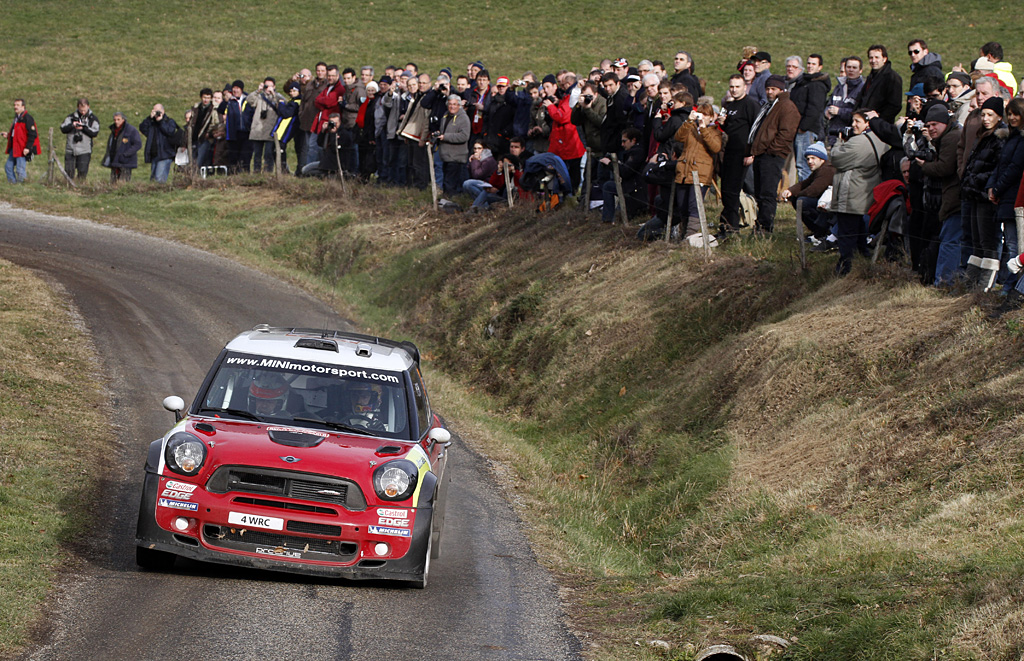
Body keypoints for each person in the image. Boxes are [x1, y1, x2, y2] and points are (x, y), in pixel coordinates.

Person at [830, 109, 891, 275]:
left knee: (847, 233)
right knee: (858, 231)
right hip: (864, 192)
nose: (853, 125)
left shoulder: (859, 142)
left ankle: (845, 267)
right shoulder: (881, 140)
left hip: (851, 194)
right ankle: (861, 261)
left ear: (868, 123)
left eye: (857, 121)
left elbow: (836, 158)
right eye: (853, 121)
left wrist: (839, 142)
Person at [961, 97, 1006, 290]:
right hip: (974, 194)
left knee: (988, 240)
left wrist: (978, 180)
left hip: (987, 197)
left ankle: (984, 286)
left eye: (990, 115)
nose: (986, 118)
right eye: (983, 114)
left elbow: (998, 168)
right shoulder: (982, 135)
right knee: (976, 240)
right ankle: (971, 284)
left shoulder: (999, 138)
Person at [747, 75, 800, 234]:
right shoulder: (770, 106)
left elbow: (786, 133)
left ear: (781, 89)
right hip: (762, 154)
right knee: (760, 192)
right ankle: (760, 225)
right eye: (768, 89)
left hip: (772, 156)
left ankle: (765, 227)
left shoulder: (786, 106)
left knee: (768, 193)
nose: (770, 92)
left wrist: (772, 150)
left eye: (773, 89)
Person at [916, 104, 963, 286]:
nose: (931, 129)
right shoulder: (949, 136)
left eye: (935, 124)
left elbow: (944, 168)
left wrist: (924, 166)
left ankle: (944, 282)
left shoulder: (951, 138)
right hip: (953, 198)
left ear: (945, 123)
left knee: (950, 241)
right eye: (928, 126)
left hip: (955, 200)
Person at [717, 74, 760, 238]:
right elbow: (728, 128)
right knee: (726, 190)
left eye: (737, 86)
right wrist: (722, 123)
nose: (734, 90)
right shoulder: (728, 105)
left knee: (734, 191)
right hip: (729, 152)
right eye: (731, 87)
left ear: (744, 87)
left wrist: (752, 153)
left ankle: (732, 227)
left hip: (743, 153)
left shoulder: (751, 105)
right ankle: (727, 225)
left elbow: (756, 130)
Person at [988, 99, 1024, 293]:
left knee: (1014, 245)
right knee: (1011, 243)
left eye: (1015, 113)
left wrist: (998, 188)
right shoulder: (1010, 137)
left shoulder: (1021, 139)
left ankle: (1011, 287)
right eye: (1009, 114)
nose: (1011, 118)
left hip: (1014, 196)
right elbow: (1002, 165)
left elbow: (1015, 168)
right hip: (1007, 196)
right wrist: (992, 187)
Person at [781, 140, 835, 243]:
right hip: (825, 203)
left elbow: (813, 190)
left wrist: (795, 194)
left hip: (830, 205)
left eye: (813, 158)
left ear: (822, 159)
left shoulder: (827, 170)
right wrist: (790, 191)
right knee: (798, 199)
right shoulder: (820, 169)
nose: (810, 161)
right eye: (808, 159)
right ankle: (817, 231)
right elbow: (805, 183)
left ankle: (822, 231)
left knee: (802, 201)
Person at [789, 56, 830, 180]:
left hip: (806, 130)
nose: (810, 66)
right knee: (801, 164)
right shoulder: (804, 82)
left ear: (820, 67)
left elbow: (815, 109)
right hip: (799, 128)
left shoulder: (817, 85)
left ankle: (805, 196)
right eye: (809, 63)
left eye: (814, 64)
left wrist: (803, 127)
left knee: (805, 165)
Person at [599, 127, 645, 223]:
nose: (622, 145)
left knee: (608, 186)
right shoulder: (633, 152)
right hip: (630, 185)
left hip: (633, 188)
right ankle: (608, 218)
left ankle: (607, 219)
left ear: (633, 140)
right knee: (608, 186)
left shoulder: (637, 152)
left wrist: (610, 164)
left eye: (624, 141)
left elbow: (626, 172)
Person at [247, 78, 286, 173]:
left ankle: (267, 172)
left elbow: (284, 104)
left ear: (274, 87)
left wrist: (274, 95)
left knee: (268, 154)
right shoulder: (259, 97)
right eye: (266, 86)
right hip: (258, 129)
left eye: (270, 86)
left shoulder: (277, 97)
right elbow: (249, 100)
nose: (268, 88)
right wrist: (258, 90)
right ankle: (256, 172)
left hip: (270, 130)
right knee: (257, 154)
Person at [824, 57, 865, 146]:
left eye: (854, 68)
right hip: (834, 135)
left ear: (860, 70)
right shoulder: (839, 87)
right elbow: (830, 104)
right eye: (848, 67)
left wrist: (839, 112)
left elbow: (861, 113)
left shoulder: (863, 89)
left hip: (851, 137)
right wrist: (827, 111)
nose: (851, 70)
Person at [435, 94, 471, 196]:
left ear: (459, 105)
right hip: (446, 155)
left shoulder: (463, 118)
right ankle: (445, 200)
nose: (452, 106)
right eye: (450, 104)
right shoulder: (446, 115)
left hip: (456, 157)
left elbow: (464, 136)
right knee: (446, 181)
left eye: (455, 104)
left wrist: (445, 136)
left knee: (451, 183)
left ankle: (451, 202)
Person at [59, 98, 101, 181]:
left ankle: (80, 188)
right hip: (70, 150)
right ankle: (68, 187)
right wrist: (72, 125)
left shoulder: (93, 119)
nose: (83, 112)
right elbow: (63, 128)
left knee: (82, 173)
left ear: (88, 106)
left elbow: (94, 133)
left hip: (84, 150)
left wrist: (83, 128)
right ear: (78, 107)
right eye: (81, 110)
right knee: (69, 172)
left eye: (84, 110)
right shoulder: (70, 117)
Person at [861, 45, 903, 124]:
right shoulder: (871, 77)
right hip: (866, 122)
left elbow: (895, 105)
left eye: (877, 57)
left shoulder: (892, 77)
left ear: (884, 59)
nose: (873, 61)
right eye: (871, 58)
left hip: (880, 125)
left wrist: (879, 118)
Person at [138, 103, 179, 183]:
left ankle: (161, 192)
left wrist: (161, 121)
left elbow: (170, 131)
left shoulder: (169, 121)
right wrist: (149, 118)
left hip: (165, 154)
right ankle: (154, 193)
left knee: (159, 178)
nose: (157, 113)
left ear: (163, 111)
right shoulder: (152, 123)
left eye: (158, 111)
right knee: (153, 178)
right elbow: (142, 128)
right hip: (154, 154)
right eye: (155, 111)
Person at [3, 99, 40, 184]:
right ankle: (12, 184)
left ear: (23, 107)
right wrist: (8, 135)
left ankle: (22, 186)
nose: (15, 107)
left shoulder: (27, 118)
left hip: (22, 148)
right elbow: (17, 133)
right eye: (15, 105)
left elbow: (32, 134)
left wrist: (28, 147)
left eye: (18, 105)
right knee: (8, 167)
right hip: (15, 147)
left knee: (20, 169)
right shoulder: (17, 118)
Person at [102, 112, 141, 183]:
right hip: (114, 161)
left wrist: (125, 154)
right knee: (113, 183)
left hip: (126, 162)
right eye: (115, 120)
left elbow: (138, 144)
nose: (116, 121)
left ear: (123, 119)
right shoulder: (113, 130)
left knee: (123, 183)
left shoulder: (131, 130)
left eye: (118, 119)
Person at [186, 88, 219, 168]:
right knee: (192, 160)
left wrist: (209, 133)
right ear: (201, 97)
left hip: (205, 138)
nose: (206, 100)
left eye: (208, 98)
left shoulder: (214, 109)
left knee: (199, 161)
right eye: (204, 97)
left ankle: (197, 177)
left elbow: (216, 123)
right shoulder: (196, 108)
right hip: (194, 137)